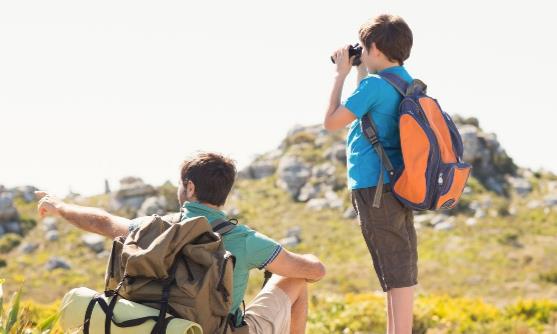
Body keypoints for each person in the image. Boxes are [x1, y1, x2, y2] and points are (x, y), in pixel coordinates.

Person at [36, 152, 326, 334]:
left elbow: (101, 221)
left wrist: (60, 207)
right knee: (295, 281)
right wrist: (307, 258)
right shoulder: (245, 240)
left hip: (156, 325)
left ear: (190, 187)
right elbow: (314, 271)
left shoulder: (149, 228)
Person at [323, 14, 416, 334]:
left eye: (363, 47)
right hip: (400, 185)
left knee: (396, 271)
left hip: (373, 186)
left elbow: (332, 121)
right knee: (396, 266)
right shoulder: (403, 80)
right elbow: (370, 103)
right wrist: (360, 69)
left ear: (374, 47)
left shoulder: (375, 86)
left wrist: (340, 74)